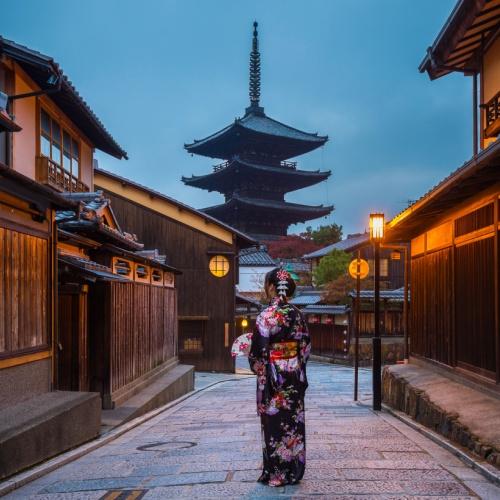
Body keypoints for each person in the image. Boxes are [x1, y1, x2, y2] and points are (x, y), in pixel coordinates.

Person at [248, 267, 311, 487]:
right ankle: (294, 470)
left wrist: (260, 367)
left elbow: (257, 353)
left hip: (272, 378)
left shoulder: (265, 315)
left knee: (274, 424)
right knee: (293, 422)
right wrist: (294, 366)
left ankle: (275, 472)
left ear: (273, 287)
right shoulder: (298, 315)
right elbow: (305, 348)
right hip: (293, 375)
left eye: (267, 284)